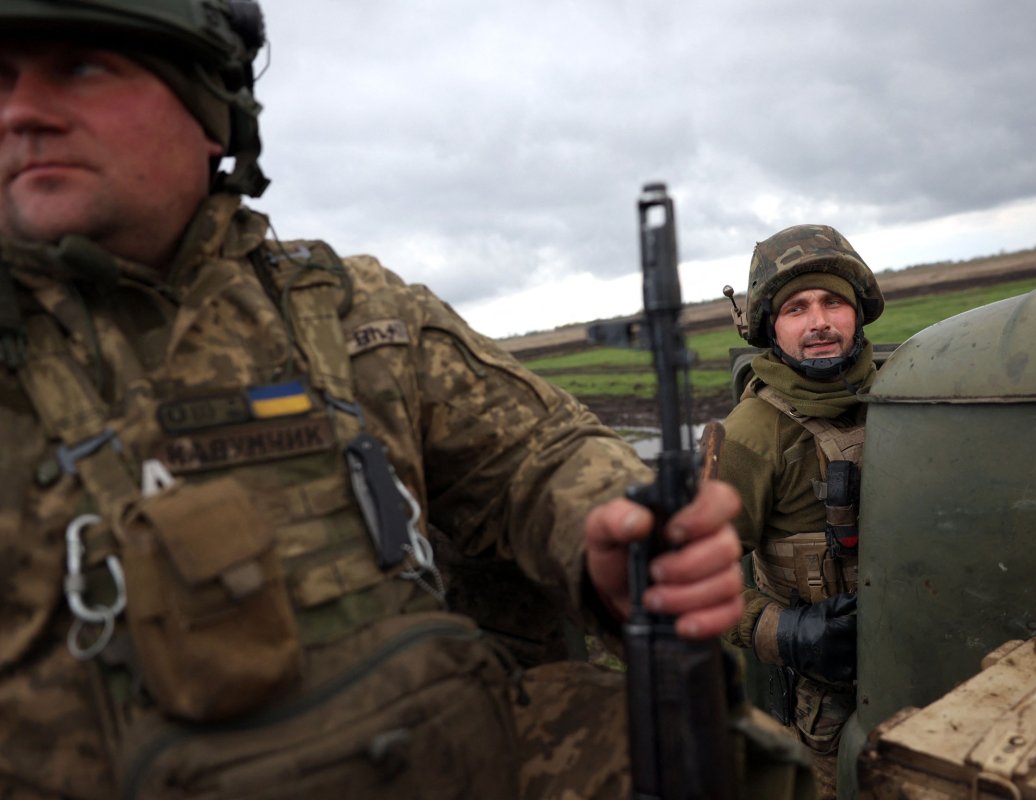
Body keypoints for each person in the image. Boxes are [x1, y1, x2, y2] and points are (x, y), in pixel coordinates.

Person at [0, 2, 753, 798]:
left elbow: (539, 453)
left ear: (208, 106)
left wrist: (614, 532)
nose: (22, 112)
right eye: (3, 80)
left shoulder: (354, 312)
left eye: (81, 68)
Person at [718, 225, 885, 800]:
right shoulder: (751, 436)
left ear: (857, 315)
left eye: (832, 301)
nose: (818, 321)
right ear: (771, 326)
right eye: (796, 308)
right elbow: (686, 578)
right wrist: (787, 631)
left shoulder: (906, 395)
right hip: (828, 710)